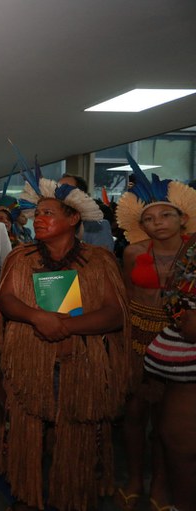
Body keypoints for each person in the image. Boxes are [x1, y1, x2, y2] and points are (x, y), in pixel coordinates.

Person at [0, 165, 129, 511]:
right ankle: (28, 494)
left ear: (72, 219)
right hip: (31, 361)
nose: (38, 218)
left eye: (47, 213)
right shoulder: (20, 258)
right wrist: (38, 316)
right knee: (28, 429)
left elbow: (115, 313)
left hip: (81, 362)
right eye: (36, 213)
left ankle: (72, 495)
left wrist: (66, 327)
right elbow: (7, 300)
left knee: (76, 433)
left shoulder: (98, 261)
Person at [117, 155, 196, 511]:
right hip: (137, 336)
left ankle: (162, 484)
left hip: (181, 343)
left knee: (170, 419)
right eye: (148, 218)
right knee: (134, 413)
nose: (157, 222)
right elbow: (124, 296)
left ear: (183, 218)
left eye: (165, 215)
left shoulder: (193, 256)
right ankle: (134, 477)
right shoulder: (134, 253)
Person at [144, 232, 196, 511]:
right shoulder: (195, 242)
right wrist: (182, 319)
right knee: (177, 442)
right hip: (186, 363)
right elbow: (172, 292)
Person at [59, 173, 115, 253]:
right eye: (57, 188)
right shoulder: (49, 223)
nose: (59, 193)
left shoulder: (97, 226)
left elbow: (103, 259)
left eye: (66, 189)